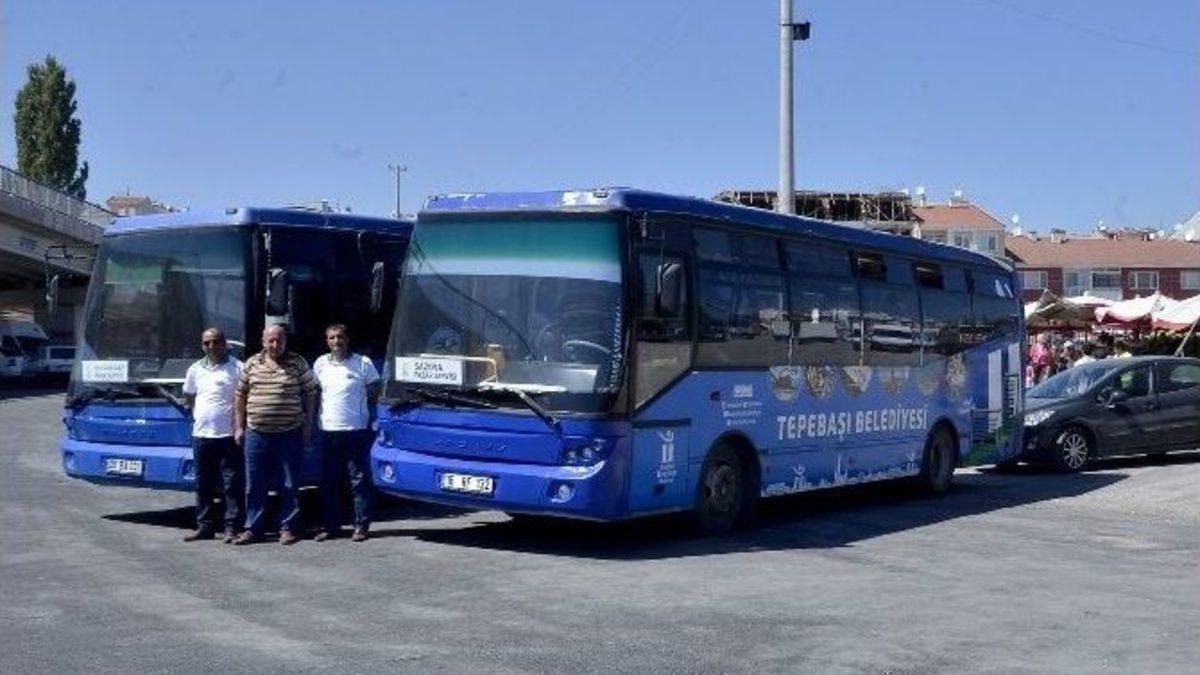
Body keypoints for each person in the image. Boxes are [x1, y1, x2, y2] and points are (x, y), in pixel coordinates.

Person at [233, 324, 318, 546]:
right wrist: (239, 427)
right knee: (254, 484)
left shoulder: (298, 363)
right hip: (256, 433)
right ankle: (253, 529)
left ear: (285, 341)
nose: (275, 344)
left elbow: (311, 393)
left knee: (289, 484)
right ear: (263, 342)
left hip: (289, 432)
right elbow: (240, 395)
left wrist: (308, 426)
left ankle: (288, 528)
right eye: (270, 340)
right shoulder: (251, 363)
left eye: (279, 340)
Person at [313, 324, 381, 542]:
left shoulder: (363, 363)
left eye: (340, 337)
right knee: (329, 481)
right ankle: (330, 526)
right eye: (332, 338)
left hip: (355, 430)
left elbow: (374, 389)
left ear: (347, 339)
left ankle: (361, 525)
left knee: (358, 480)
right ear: (327, 341)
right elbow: (316, 393)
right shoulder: (320, 363)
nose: (336, 341)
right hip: (328, 430)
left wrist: (359, 407)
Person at [181, 328, 245, 543]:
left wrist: (240, 427)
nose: (211, 346)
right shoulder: (195, 369)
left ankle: (232, 528)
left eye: (216, 342)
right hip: (201, 434)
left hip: (228, 435)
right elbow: (189, 396)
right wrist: (198, 415)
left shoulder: (237, 367)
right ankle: (204, 527)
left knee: (231, 484)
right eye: (207, 343)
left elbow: (244, 398)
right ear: (202, 346)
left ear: (224, 343)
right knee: (203, 484)